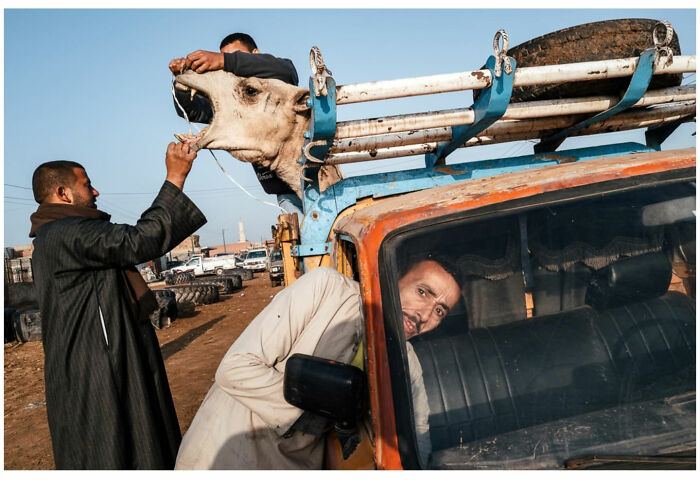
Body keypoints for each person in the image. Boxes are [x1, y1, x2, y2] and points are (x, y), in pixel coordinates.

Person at [175, 258, 461, 469]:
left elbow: (418, 429)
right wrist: (326, 418)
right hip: (225, 456)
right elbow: (235, 368)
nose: (424, 314)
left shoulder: (406, 362)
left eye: (439, 311)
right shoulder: (326, 289)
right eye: (423, 292)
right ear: (394, 275)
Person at [29, 141, 207, 469]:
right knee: (119, 450)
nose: (95, 191)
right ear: (63, 192)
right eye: (86, 184)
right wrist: (175, 178)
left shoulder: (51, 238)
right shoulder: (68, 232)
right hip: (100, 371)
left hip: (91, 364)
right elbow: (139, 241)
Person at [169, 32, 303, 216]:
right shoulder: (236, 103)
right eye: (227, 57)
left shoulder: (275, 82)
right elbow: (193, 111)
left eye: (236, 56)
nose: (231, 66)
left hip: (315, 181)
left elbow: (287, 70)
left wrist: (224, 60)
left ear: (256, 54)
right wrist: (182, 81)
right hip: (285, 193)